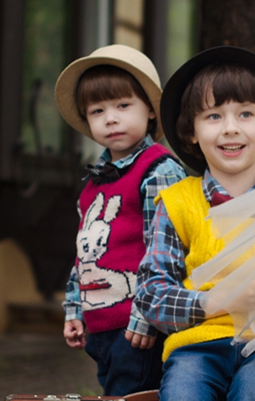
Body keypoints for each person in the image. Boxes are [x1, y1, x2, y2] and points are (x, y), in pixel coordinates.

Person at [132, 46, 255, 401]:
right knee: (184, 392)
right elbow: (151, 293)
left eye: (245, 114)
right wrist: (218, 301)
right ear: (192, 133)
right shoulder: (178, 203)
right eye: (214, 117)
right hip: (197, 347)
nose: (230, 129)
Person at [54, 44, 186, 396]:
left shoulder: (158, 169)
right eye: (97, 110)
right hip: (101, 327)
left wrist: (147, 317)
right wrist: (75, 309)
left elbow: (167, 252)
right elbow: (86, 255)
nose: (110, 118)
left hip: (138, 329)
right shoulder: (94, 183)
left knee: (133, 394)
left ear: (150, 111)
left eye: (123, 105)